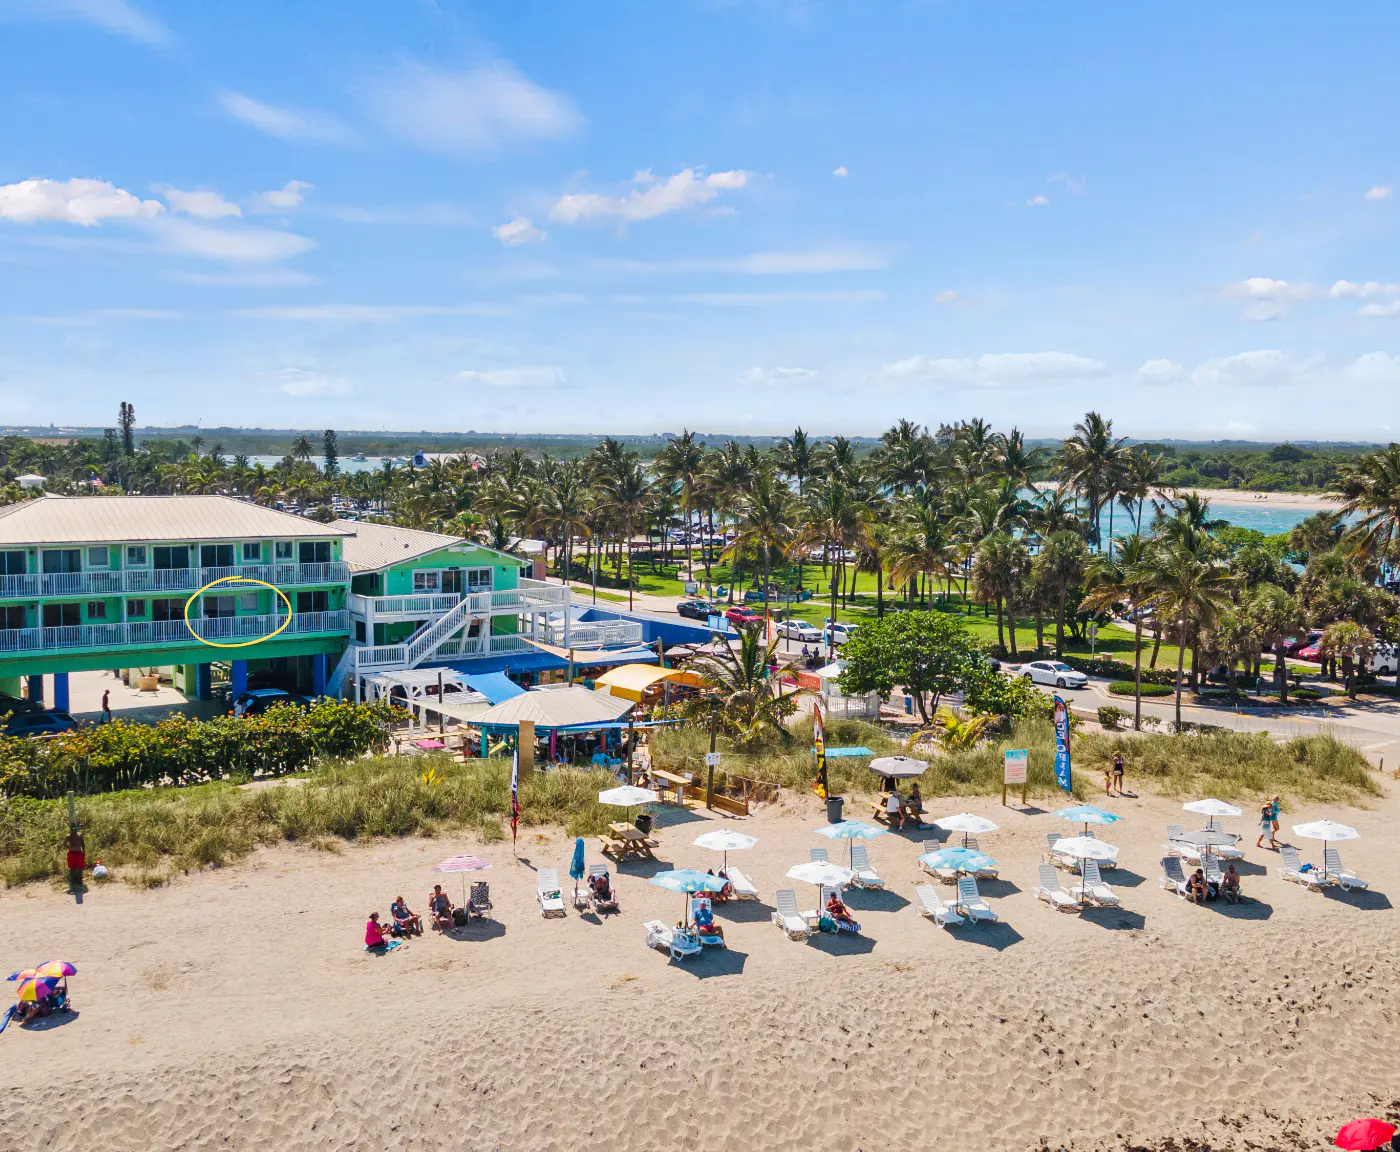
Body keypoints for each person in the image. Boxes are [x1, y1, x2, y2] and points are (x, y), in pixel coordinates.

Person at [65, 826, 85, 892]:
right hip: (71, 853)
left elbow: (83, 844)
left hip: (79, 853)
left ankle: (79, 882)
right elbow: (64, 843)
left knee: (80, 868)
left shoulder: (80, 835)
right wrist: (69, 847)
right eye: (72, 829)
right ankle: (73, 882)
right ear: (70, 830)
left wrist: (84, 852)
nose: (74, 831)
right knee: (72, 868)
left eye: (75, 829)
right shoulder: (68, 836)